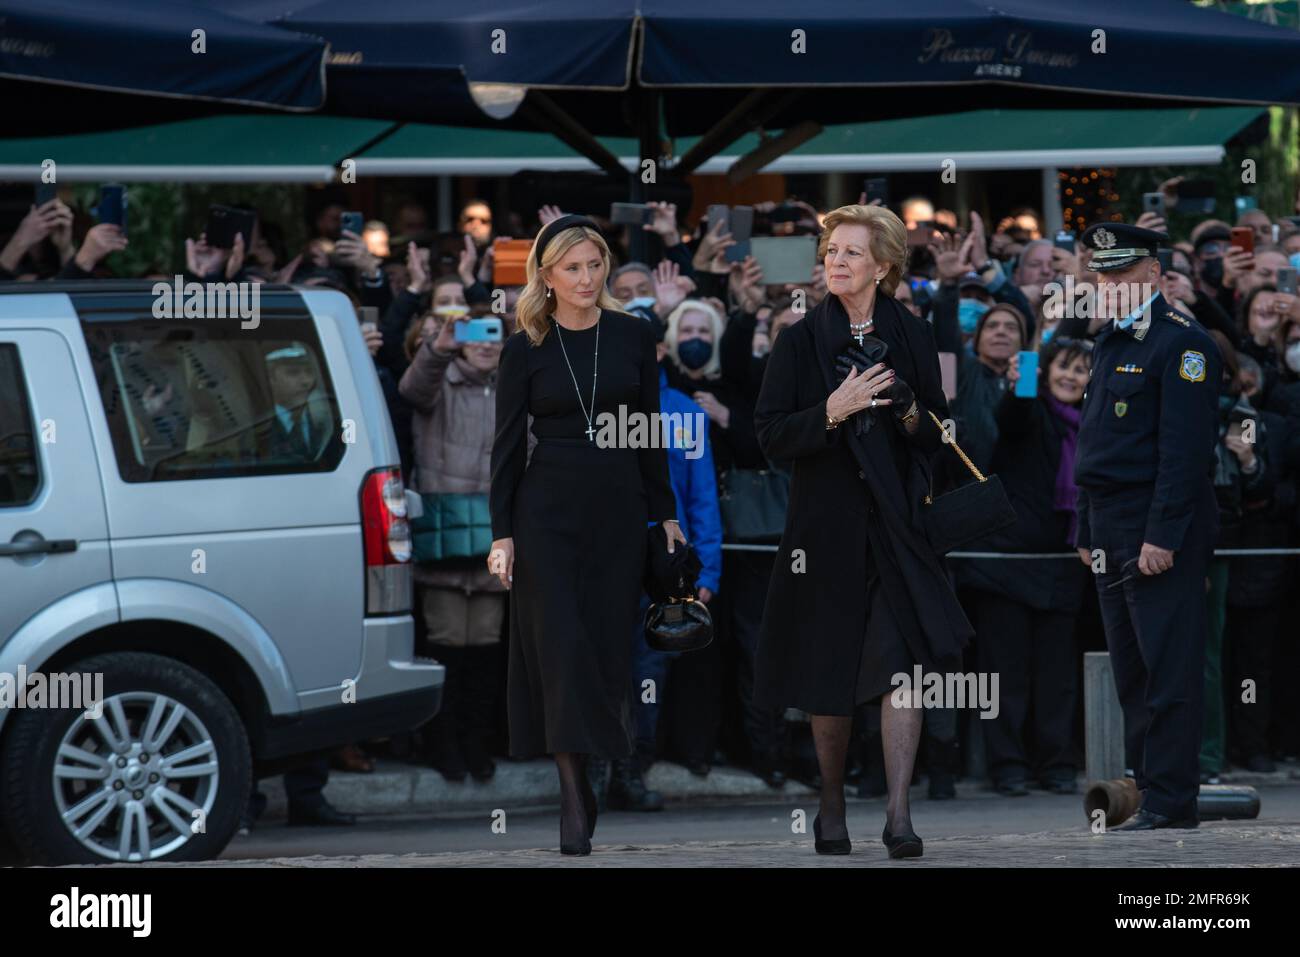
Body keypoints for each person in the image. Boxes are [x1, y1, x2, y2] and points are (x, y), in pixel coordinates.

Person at [754, 204, 973, 858]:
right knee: (830, 666)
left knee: (900, 667)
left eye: (852, 252)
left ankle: (900, 813)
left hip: (898, 527)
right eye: (832, 251)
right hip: (824, 530)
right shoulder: (799, 339)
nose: (837, 261)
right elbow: (768, 435)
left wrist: (907, 410)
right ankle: (830, 801)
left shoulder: (912, 330)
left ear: (882, 265)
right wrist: (830, 410)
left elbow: (938, 432)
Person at [488, 214, 681, 855]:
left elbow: (650, 433)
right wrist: (502, 534)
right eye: (572, 267)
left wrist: (668, 514)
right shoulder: (524, 346)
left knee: (602, 651)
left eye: (594, 265)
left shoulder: (633, 336)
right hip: (545, 515)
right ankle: (573, 791)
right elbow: (507, 447)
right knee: (560, 648)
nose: (585, 277)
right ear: (546, 275)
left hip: (619, 511)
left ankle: (593, 763)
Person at [1072, 222, 1221, 831]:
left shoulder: (1181, 343)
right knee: (1131, 668)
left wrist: (1161, 536)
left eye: (1124, 272)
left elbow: (1184, 455)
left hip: (1155, 519)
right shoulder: (1111, 339)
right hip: (1109, 519)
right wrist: (1084, 527)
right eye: (1102, 274)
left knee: (1168, 665)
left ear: (1154, 274)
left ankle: (1171, 800)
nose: (1111, 283)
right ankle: (1143, 785)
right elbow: (1095, 441)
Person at [961, 337, 1094, 795]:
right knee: (1005, 673)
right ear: (1045, 370)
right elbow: (1011, 419)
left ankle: (1056, 763)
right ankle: (1008, 765)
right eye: (1063, 366)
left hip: (1063, 566)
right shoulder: (1029, 408)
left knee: (1057, 676)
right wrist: (1027, 379)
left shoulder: (1091, 427)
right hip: (1007, 566)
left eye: (1081, 370)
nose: (1071, 376)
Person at [399, 306, 508, 783]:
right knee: (445, 648)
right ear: (461, 339)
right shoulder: (438, 385)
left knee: (484, 648)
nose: (486, 344)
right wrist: (437, 348)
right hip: (444, 540)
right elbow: (411, 388)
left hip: (494, 540)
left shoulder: (515, 390)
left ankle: (476, 743)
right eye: (476, 335)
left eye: (495, 335)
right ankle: (442, 747)